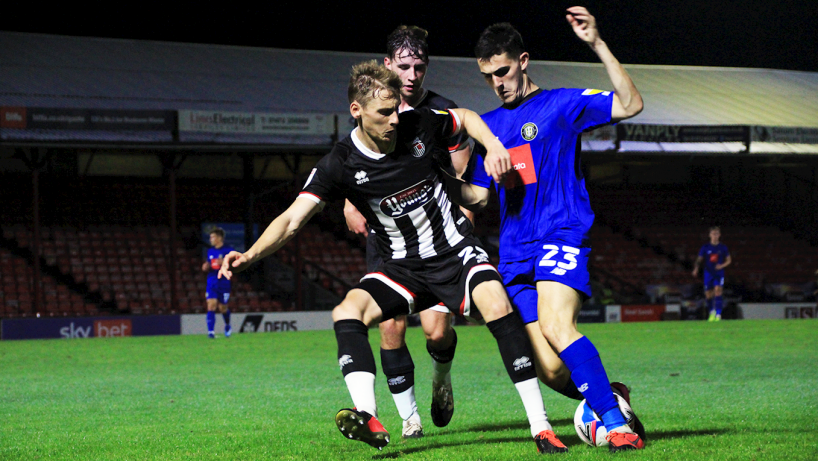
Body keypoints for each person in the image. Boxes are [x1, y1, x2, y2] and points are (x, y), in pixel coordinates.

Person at [220, 60, 569, 454]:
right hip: (402, 266)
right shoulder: (340, 163)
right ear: (357, 111)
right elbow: (291, 221)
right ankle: (367, 415)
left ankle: (540, 428)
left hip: (455, 252)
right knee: (347, 312)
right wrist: (249, 255)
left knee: (494, 301)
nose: (394, 120)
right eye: (384, 113)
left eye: (395, 109)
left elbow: (467, 117)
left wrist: (494, 147)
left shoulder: (418, 123)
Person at [458, 8, 646, 452]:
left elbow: (631, 104)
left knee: (558, 326)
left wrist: (596, 42)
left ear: (523, 61)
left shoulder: (562, 104)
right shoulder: (489, 126)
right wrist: (437, 183)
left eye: (502, 71)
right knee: (549, 367)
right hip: (514, 255)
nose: (497, 82)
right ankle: (605, 397)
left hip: (561, 233)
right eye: (488, 76)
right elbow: (479, 197)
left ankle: (618, 426)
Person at [342, 25, 471, 439]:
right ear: (387, 65)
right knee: (391, 327)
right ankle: (409, 419)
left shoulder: (442, 113)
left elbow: (462, 176)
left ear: (427, 67)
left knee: (436, 332)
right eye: (403, 66)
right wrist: (348, 201)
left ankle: (441, 379)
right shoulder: (374, 106)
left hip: (435, 239)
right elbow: (353, 165)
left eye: (419, 66)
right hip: (389, 241)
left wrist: (465, 212)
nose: (412, 75)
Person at [692, 226, 731, 321]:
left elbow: (729, 260)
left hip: (719, 273)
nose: (715, 236)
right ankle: (711, 312)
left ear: (719, 235)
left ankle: (718, 314)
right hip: (708, 273)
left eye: (717, 234)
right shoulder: (705, 247)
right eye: (713, 234)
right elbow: (699, 259)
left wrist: (721, 266)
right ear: (710, 235)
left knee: (718, 290)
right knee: (708, 294)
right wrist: (696, 269)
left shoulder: (723, 247)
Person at [201, 227, 234, 338]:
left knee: (222, 308)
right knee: (211, 305)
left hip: (224, 282)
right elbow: (209, 264)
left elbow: (234, 265)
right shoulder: (210, 251)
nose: (210, 239)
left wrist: (224, 262)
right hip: (212, 281)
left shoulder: (228, 250)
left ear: (219, 238)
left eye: (213, 237)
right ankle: (211, 332)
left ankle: (228, 325)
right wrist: (206, 266)